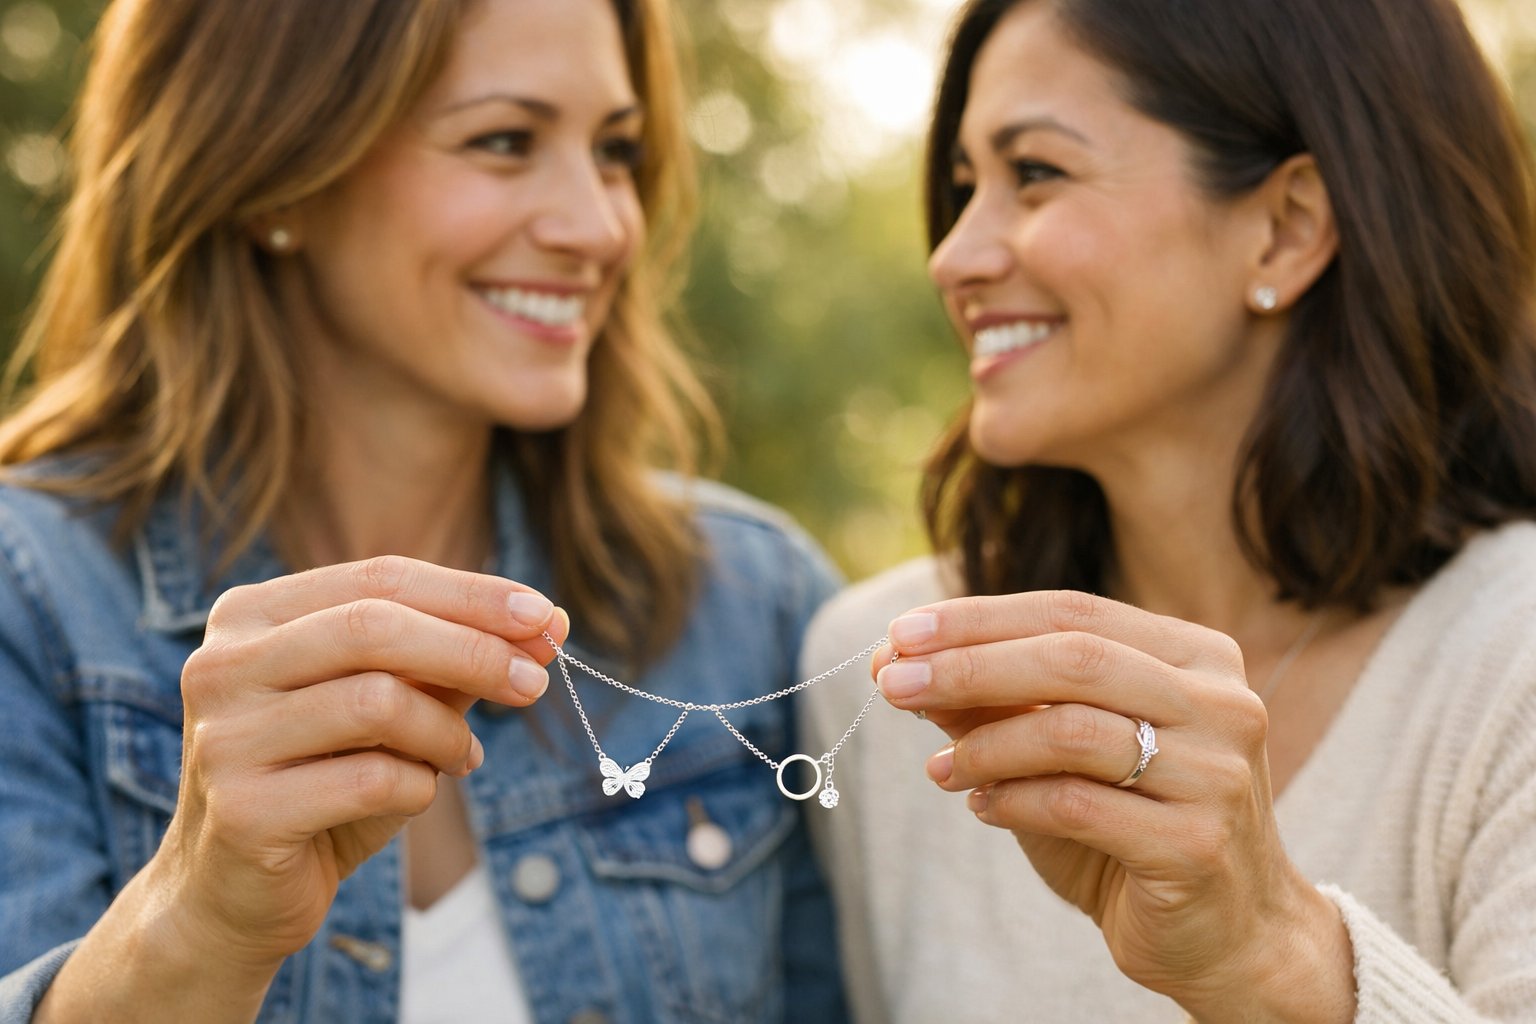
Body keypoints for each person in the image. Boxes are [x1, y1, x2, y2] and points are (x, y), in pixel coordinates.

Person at [0, 1, 848, 1021]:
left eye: (616, 151)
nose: (599, 226)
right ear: (278, 174)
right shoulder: (27, 602)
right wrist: (200, 923)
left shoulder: (756, 604)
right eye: (506, 141)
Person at [800, 0, 1536, 1019]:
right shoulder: (881, 678)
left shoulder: (1511, 663)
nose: (954, 257)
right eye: (966, 188)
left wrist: (1272, 959)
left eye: (1036, 173)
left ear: (1285, 229)